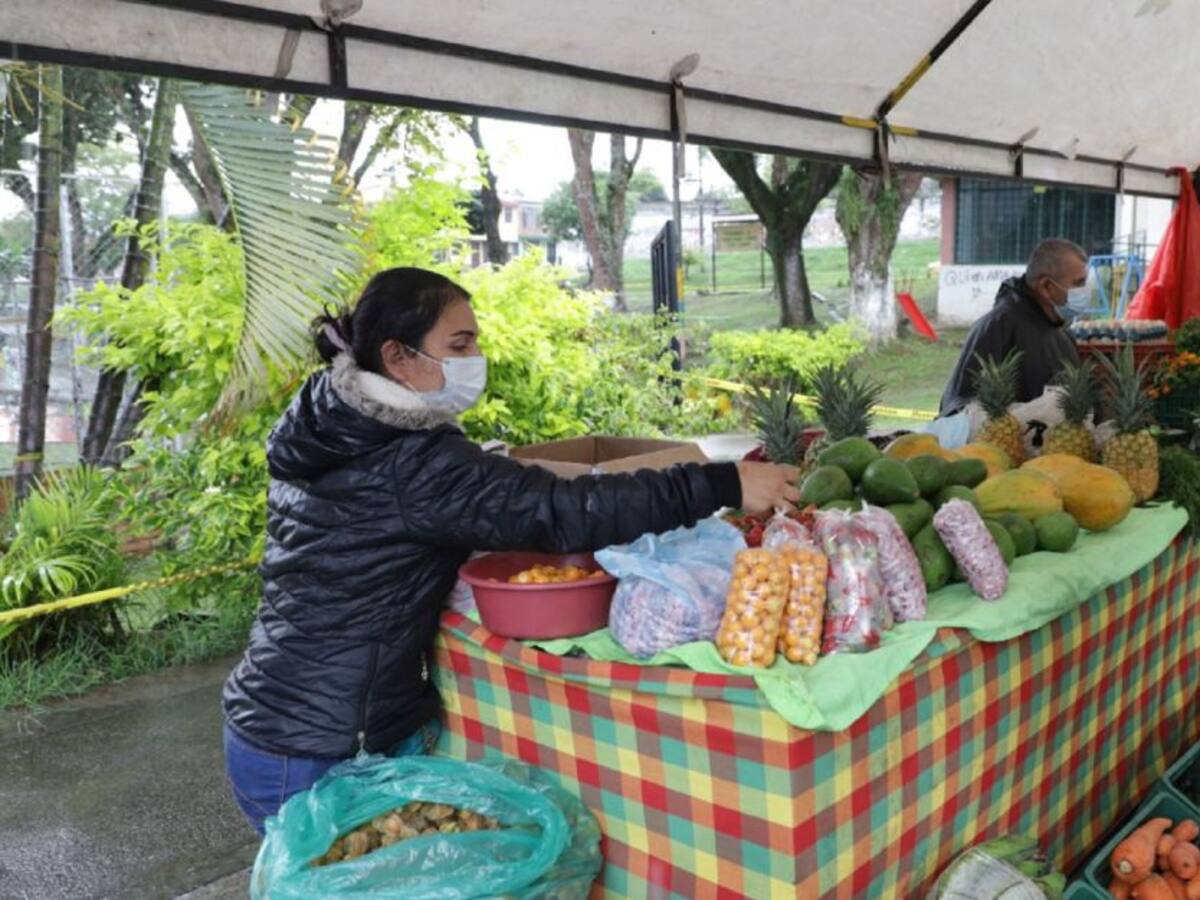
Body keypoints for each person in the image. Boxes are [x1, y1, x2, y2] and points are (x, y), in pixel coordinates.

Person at [221, 267, 799, 834]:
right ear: (397, 357)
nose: (475, 359)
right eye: (459, 345)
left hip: (283, 717)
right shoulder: (412, 461)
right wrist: (720, 484)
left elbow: (456, 500)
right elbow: (565, 512)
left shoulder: (336, 425)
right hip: (317, 745)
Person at [939, 238, 1090, 416]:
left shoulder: (1061, 329)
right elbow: (960, 408)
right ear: (1046, 286)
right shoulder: (996, 327)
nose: (1086, 290)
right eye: (1079, 283)